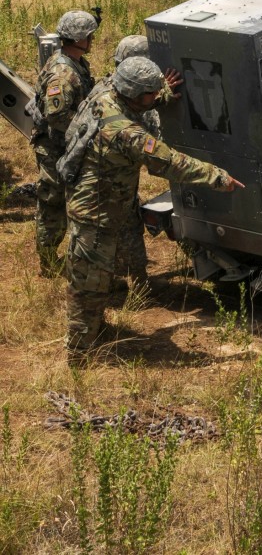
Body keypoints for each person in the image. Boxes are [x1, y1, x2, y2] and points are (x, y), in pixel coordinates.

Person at [65, 56, 244, 363]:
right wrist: (218, 177)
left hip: (103, 206)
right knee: (88, 287)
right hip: (95, 216)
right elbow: (168, 161)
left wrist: (161, 95)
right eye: (150, 92)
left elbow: (139, 104)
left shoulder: (104, 95)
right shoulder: (125, 133)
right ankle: (81, 355)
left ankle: (95, 330)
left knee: (99, 279)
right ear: (135, 94)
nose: (154, 96)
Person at [68, 34, 182, 287]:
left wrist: (162, 93)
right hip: (102, 182)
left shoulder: (112, 89)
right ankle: (120, 285)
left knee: (120, 229)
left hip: (110, 178)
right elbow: (156, 152)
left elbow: (138, 105)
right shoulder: (112, 101)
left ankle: (127, 280)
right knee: (112, 233)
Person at [30, 10, 98, 276]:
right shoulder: (63, 73)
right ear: (79, 38)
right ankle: (48, 263)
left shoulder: (76, 62)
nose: (92, 39)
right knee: (52, 204)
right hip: (54, 148)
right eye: (89, 35)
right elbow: (57, 116)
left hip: (66, 146)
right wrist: (88, 127)